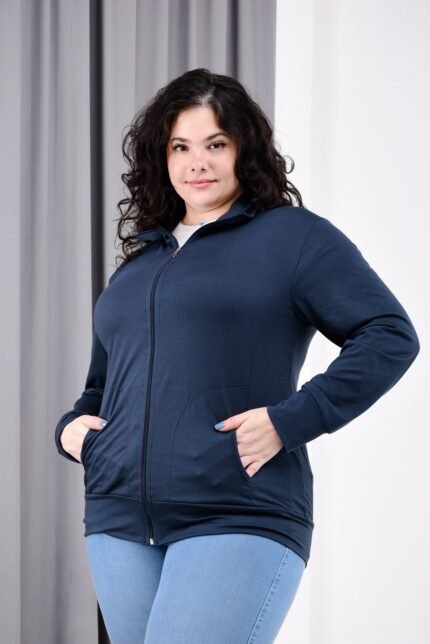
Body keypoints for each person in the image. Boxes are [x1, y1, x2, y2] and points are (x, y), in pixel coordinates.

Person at [54, 68, 420, 643]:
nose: (197, 162)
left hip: (238, 509)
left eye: (216, 144)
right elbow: (102, 388)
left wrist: (289, 420)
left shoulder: (293, 237)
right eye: (181, 147)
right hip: (118, 519)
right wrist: (72, 431)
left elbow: (388, 333)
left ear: (243, 149)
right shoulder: (138, 267)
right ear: (162, 157)